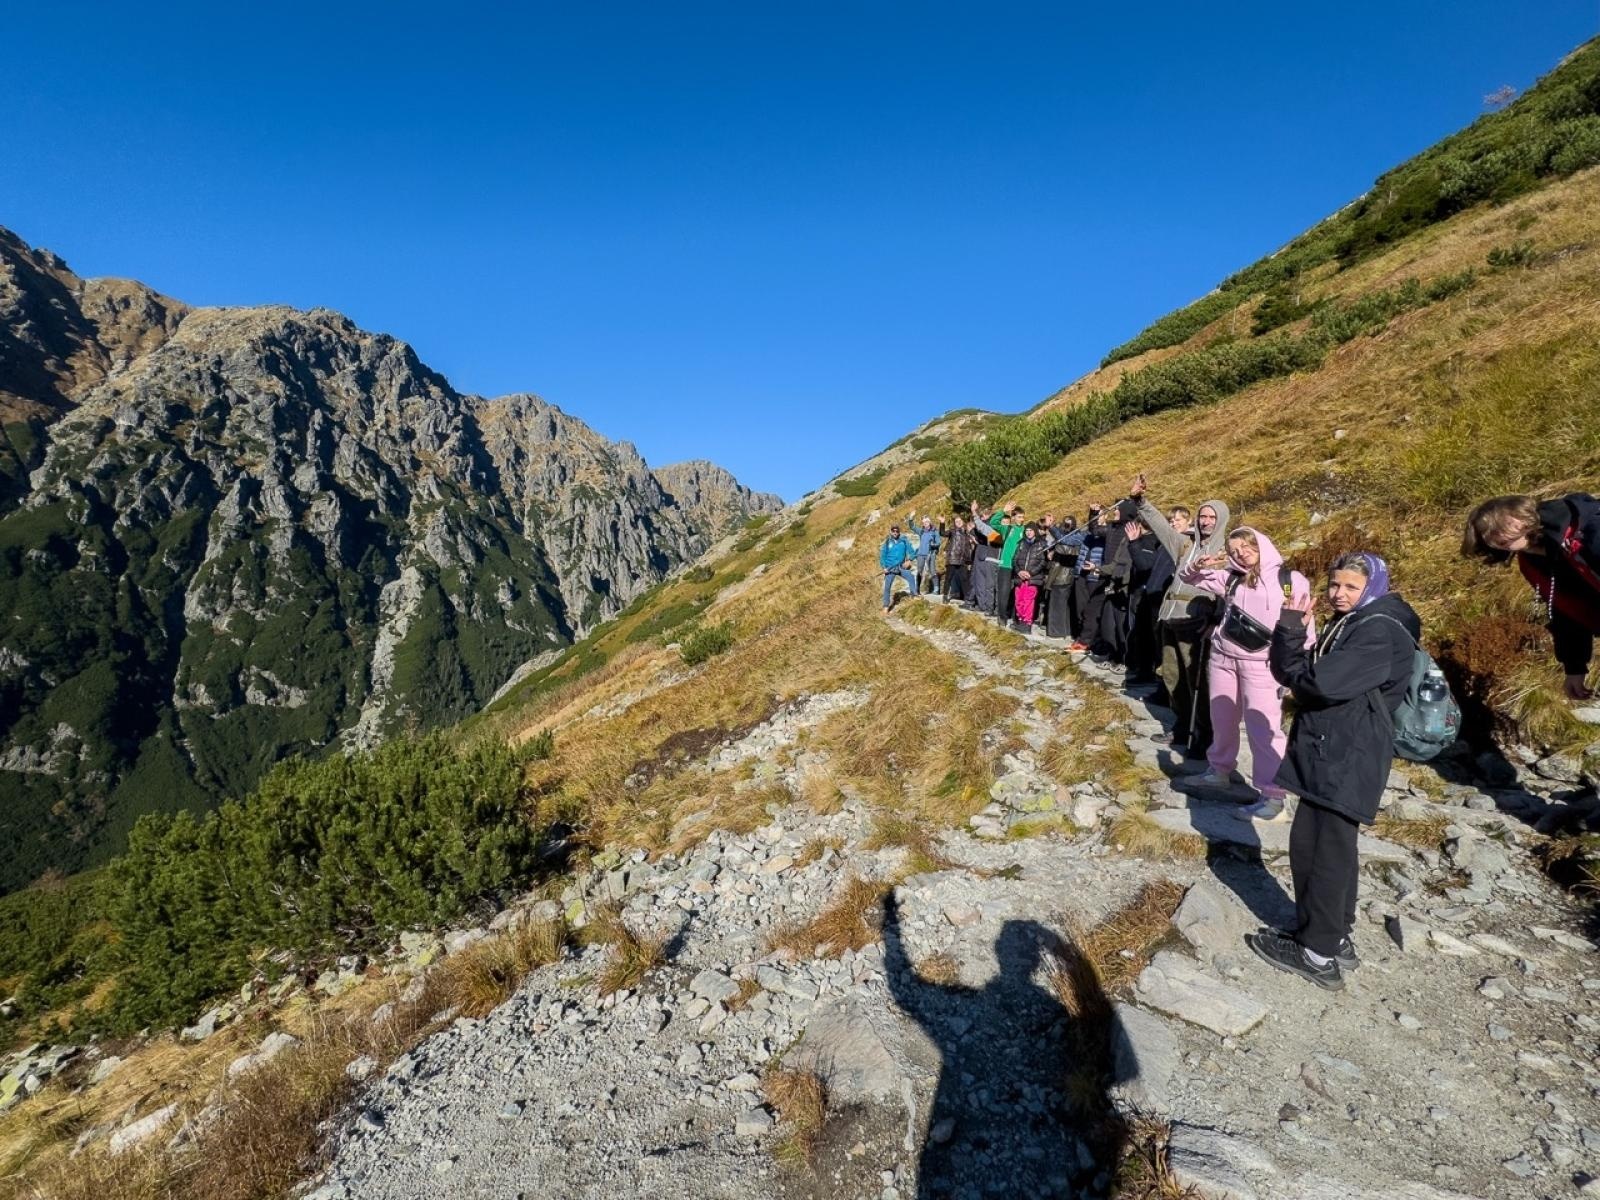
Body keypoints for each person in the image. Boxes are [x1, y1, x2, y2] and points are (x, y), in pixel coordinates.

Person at [1245, 552, 1419, 991]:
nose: (1339, 595)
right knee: (1329, 846)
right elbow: (1304, 675)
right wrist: (1293, 632)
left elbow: (1318, 683)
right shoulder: (1364, 620)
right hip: (1339, 748)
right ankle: (1333, 937)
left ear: (1373, 587)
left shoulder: (1377, 630)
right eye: (1334, 585)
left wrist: (1292, 639)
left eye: (1350, 588)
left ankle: (1316, 953)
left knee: (1320, 849)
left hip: (1346, 752)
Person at [1180, 527, 1313, 816]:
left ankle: (1274, 796)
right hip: (1222, 659)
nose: (1241, 553)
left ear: (1260, 543)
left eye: (1246, 546)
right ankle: (1219, 770)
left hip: (1264, 666)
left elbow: (1305, 626)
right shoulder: (1230, 577)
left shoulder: (1290, 580)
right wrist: (1198, 564)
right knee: (1222, 720)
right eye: (1234, 549)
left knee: (1263, 730)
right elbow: (1186, 578)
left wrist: (1298, 668)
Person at [1463, 493, 1600, 702]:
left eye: (1502, 523)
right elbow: (1566, 614)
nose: (1495, 535)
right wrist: (1574, 667)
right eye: (1486, 533)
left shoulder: (1590, 529)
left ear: (1526, 514)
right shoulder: (1532, 563)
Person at [1131, 478, 1231, 755]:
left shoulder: (1227, 551)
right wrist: (1141, 503)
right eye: (1203, 516)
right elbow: (1162, 528)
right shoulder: (1186, 545)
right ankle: (1182, 725)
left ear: (1221, 519)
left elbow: (1229, 591)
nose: (1206, 521)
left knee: (1196, 681)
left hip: (1196, 623)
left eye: (1211, 517)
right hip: (1170, 618)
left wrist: (1215, 619)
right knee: (1173, 677)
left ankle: (1202, 736)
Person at [1043, 516, 1079, 639]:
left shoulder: (1072, 540)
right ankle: (1063, 630)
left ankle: (1056, 632)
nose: (1066, 526)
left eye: (1068, 524)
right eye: (1065, 524)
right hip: (1062, 575)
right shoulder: (1064, 539)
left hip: (1062, 576)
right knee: (1060, 605)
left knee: (1058, 605)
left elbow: (1064, 549)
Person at [1010, 522, 1049, 631]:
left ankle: (1027, 623)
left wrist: (1030, 573)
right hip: (1020, 577)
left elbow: (1042, 562)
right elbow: (1014, 559)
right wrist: (1019, 572)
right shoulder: (1021, 543)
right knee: (1019, 600)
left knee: (1028, 600)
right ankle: (1020, 620)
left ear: (1035, 532)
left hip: (1033, 578)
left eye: (1031, 530)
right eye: (1027, 530)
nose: (1028, 533)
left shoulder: (1041, 544)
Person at [880, 523, 919, 614]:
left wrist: (909, 560)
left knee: (911, 576)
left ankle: (914, 595)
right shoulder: (887, 542)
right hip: (890, 568)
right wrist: (884, 567)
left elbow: (912, 552)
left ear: (899, 532)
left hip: (901, 566)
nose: (895, 532)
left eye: (897, 531)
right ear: (891, 531)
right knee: (887, 587)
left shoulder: (904, 541)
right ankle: (886, 606)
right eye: (893, 531)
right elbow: (882, 556)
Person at [910, 513, 945, 596]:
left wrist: (933, 544)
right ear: (923, 523)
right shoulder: (921, 531)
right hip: (921, 554)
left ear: (930, 522)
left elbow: (939, 542)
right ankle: (917, 590)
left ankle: (936, 589)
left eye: (927, 521)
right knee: (919, 571)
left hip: (931, 553)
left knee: (932, 571)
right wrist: (911, 518)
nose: (926, 523)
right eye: (924, 522)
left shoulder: (934, 531)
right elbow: (912, 527)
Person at [944, 514, 975, 604]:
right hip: (952, 558)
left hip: (963, 560)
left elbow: (970, 546)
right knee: (948, 578)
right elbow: (942, 533)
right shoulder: (952, 531)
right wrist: (942, 523)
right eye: (956, 521)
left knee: (964, 579)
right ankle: (945, 596)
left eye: (960, 521)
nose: (958, 523)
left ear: (963, 522)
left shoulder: (967, 532)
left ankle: (967, 599)